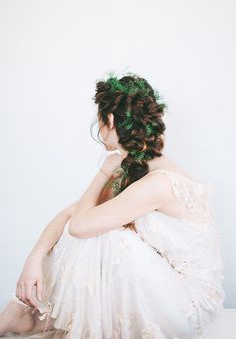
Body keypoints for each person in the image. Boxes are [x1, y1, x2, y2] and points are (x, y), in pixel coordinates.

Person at [0, 73, 225, 339]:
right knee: (101, 229)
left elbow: (79, 225)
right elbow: (69, 214)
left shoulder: (158, 182)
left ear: (109, 121)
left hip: (189, 302)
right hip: (164, 288)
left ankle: (36, 319)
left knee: (109, 237)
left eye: (100, 119)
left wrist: (104, 172)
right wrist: (34, 257)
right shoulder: (136, 167)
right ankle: (27, 314)